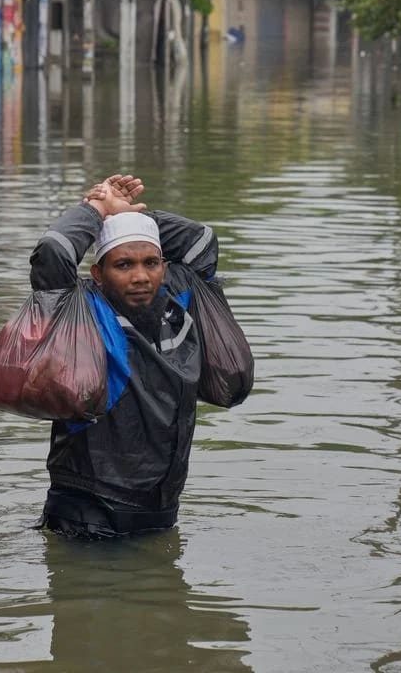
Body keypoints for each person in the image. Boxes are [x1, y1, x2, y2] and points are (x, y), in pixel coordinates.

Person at [29, 173, 238, 538]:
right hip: (89, 510)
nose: (140, 276)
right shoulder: (82, 311)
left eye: (150, 263)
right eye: (123, 265)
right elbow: (52, 253)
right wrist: (95, 210)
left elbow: (201, 241)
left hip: (160, 507)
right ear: (98, 273)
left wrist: (127, 215)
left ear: (164, 267)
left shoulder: (178, 298)